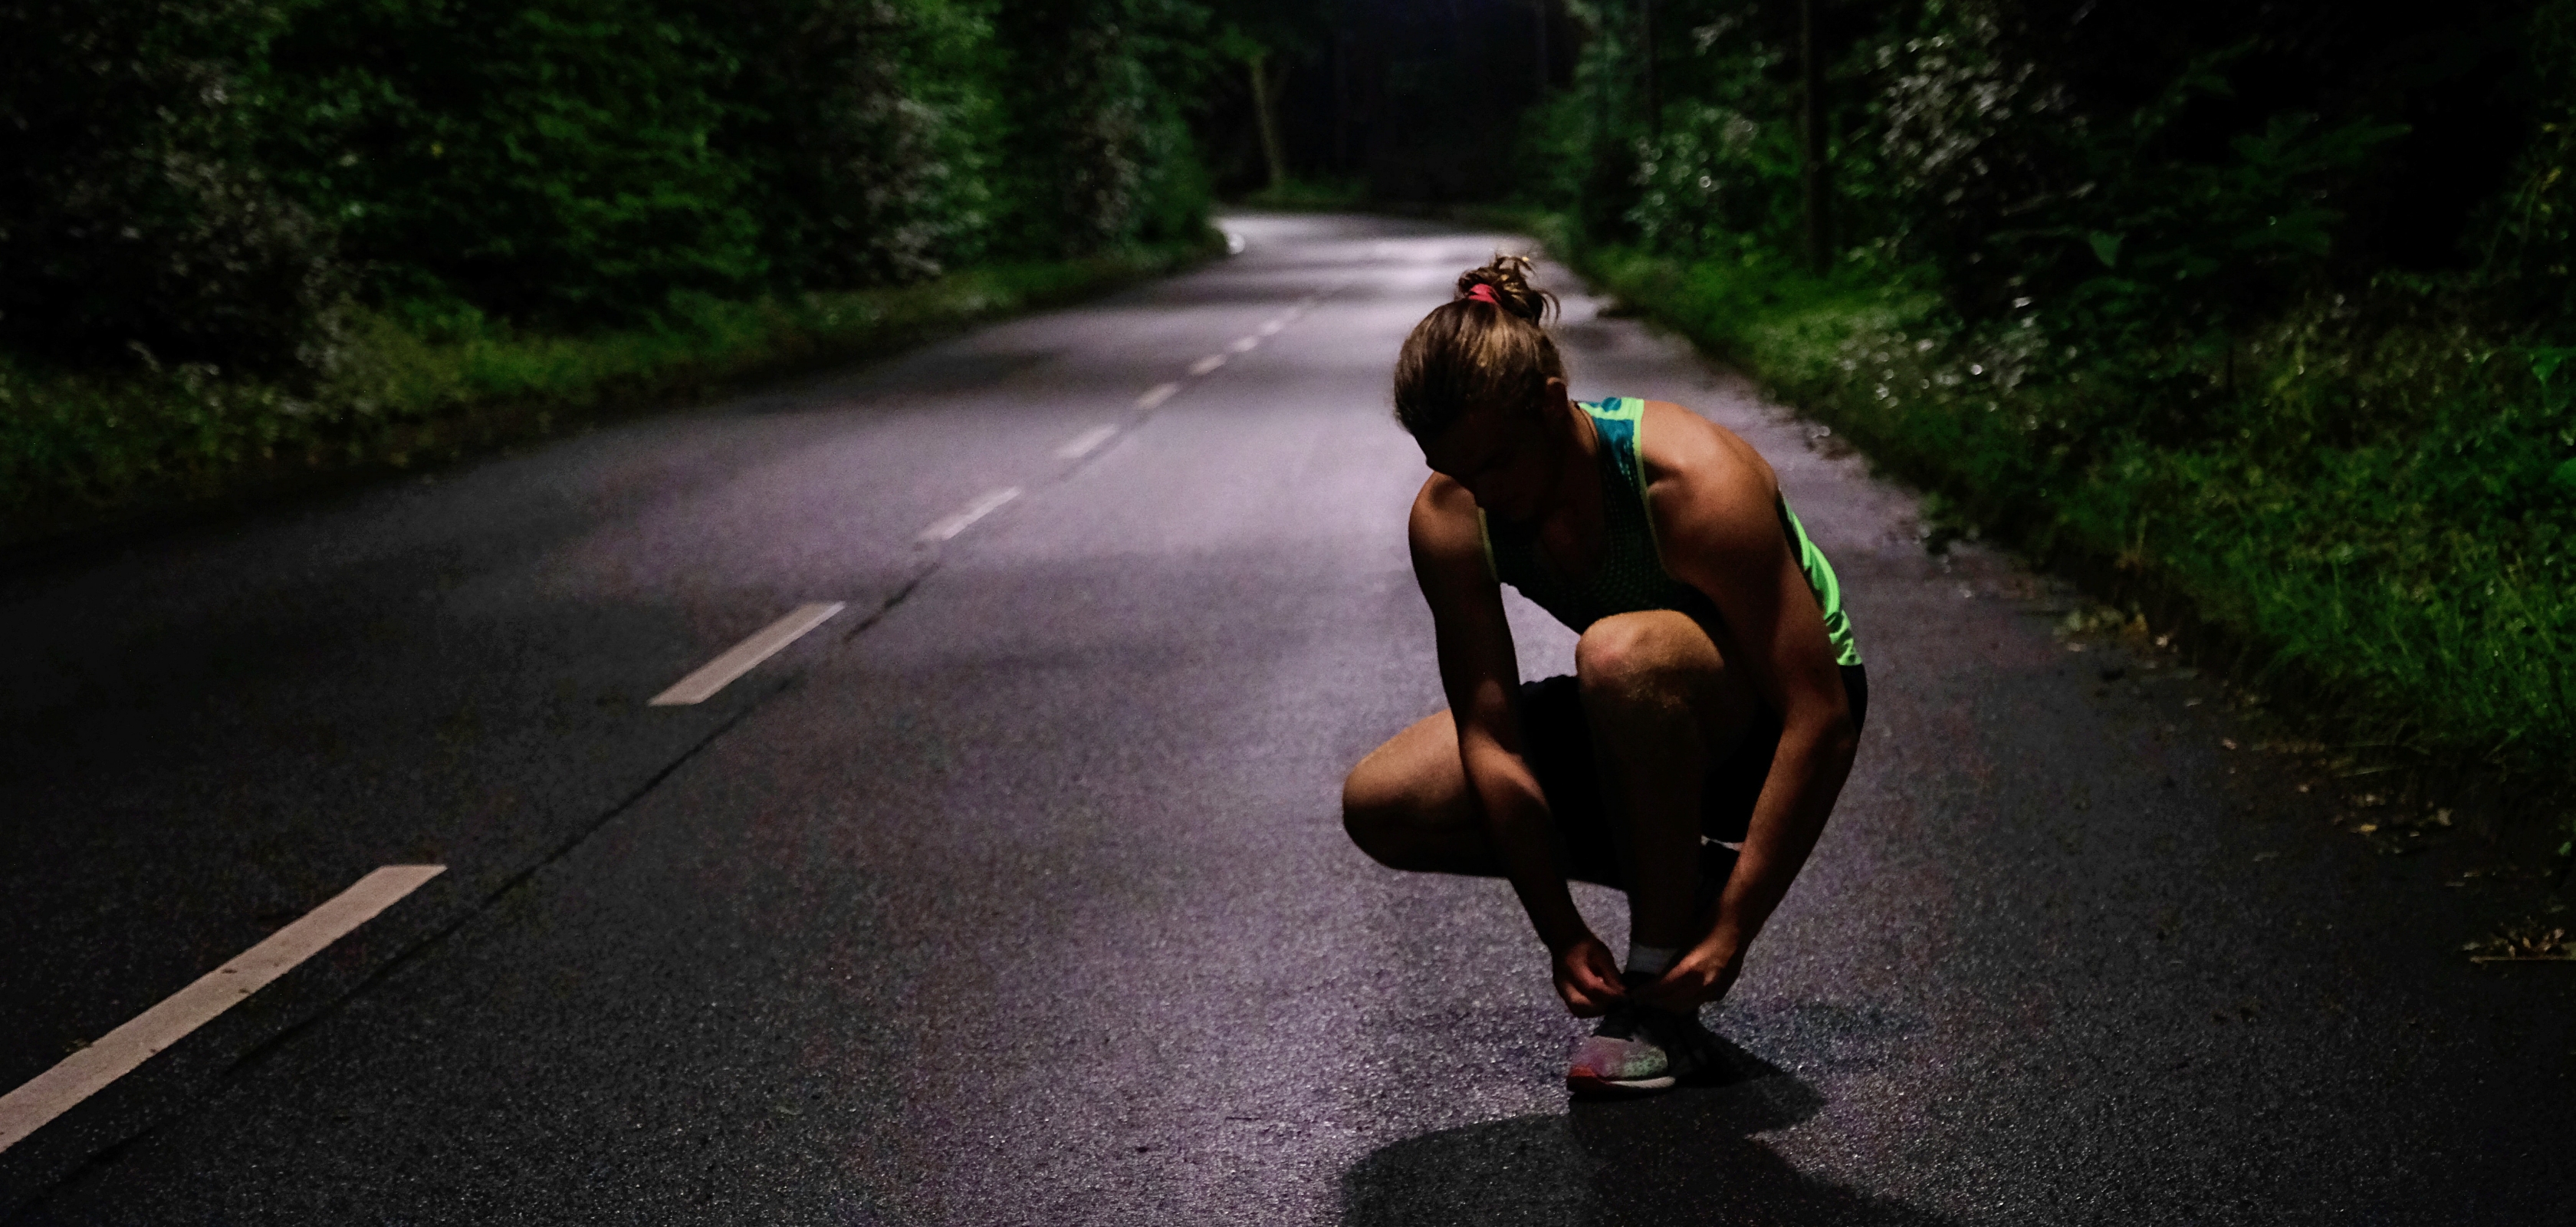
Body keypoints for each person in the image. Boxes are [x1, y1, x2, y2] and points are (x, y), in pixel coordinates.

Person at [1340, 254, 1867, 1094]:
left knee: (1619, 655)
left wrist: (1734, 928)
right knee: (1385, 803)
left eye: (1496, 465)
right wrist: (1557, 926)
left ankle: (1661, 1001)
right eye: (1455, 469)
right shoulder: (1455, 510)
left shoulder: (1690, 482)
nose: (1478, 493)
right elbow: (1491, 736)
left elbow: (1823, 714)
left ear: (1550, 406)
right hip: (1642, 706)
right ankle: (1680, 877)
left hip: (1768, 718)